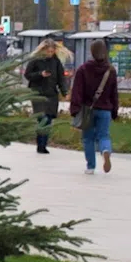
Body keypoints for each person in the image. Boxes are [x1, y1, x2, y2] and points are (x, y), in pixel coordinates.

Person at [69, 38, 119, 175]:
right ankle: (105, 151)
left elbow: (77, 91)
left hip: (88, 110)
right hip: (105, 110)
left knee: (88, 138)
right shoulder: (111, 70)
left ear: (91, 52)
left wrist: (75, 109)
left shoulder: (83, 69)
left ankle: (90, 167)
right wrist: (114, 111)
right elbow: (114, 94)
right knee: (104, 136)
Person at [23, 39, 67, 155]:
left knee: (49, 119)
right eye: (48, 51)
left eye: (52, 52)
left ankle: (44, 144)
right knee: (42, 118)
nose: (50, 54)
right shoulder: (35, 61)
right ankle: (40, 144)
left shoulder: (56, 62)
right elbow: (27, 75)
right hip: (38, 93)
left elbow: (61, 78)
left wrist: (65, 92)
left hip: (51, 94)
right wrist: (40, 74)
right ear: (43, 50)